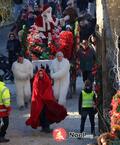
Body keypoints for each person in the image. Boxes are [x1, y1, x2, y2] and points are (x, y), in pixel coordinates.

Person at [0, 76, 11, 143]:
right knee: (5, 123)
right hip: (2, 110)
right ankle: (1, 136)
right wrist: (8, 107)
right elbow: (6, 101)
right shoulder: (4, 89)